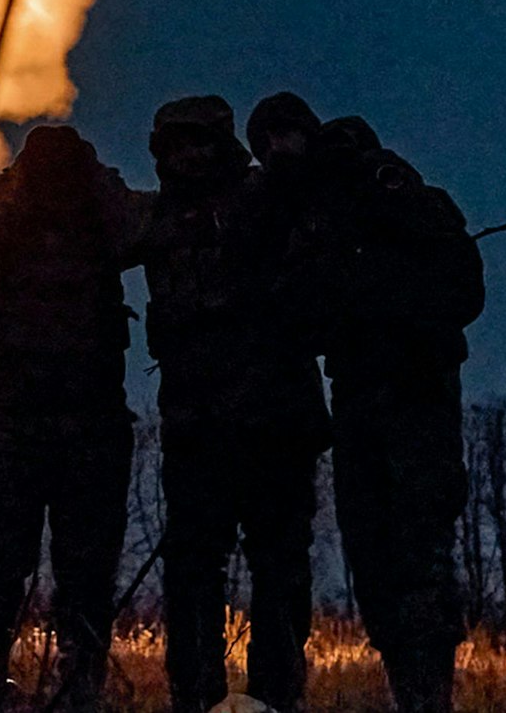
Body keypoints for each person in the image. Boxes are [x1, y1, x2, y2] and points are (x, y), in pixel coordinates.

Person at [0, 125, 142, 713]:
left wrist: (91, 185)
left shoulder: (103, 213)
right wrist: (19, 197)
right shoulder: (9, 210)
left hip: (88, 424)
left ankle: (80, 693)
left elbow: (138, 232)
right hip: (14, 422)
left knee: (85, 576)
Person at [282, 120, 483, 713]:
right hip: (360, 404)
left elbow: (463, 294)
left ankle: (427, 698)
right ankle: (411, 691)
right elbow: (306, 312)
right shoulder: (326, 225)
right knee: (373, 560)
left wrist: (390, 303)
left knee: (419, 558)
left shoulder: (413, 204)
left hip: (417, 399)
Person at [137, 96, 329, 713]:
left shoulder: (267, 199)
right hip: (194, 429)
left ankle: (273, 699)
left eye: (199, 144)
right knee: (193, 571)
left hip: (273, 425)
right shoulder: (156, 220)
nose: (188, 157)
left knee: (279, 570)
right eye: (175, 147)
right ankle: (196, 698)